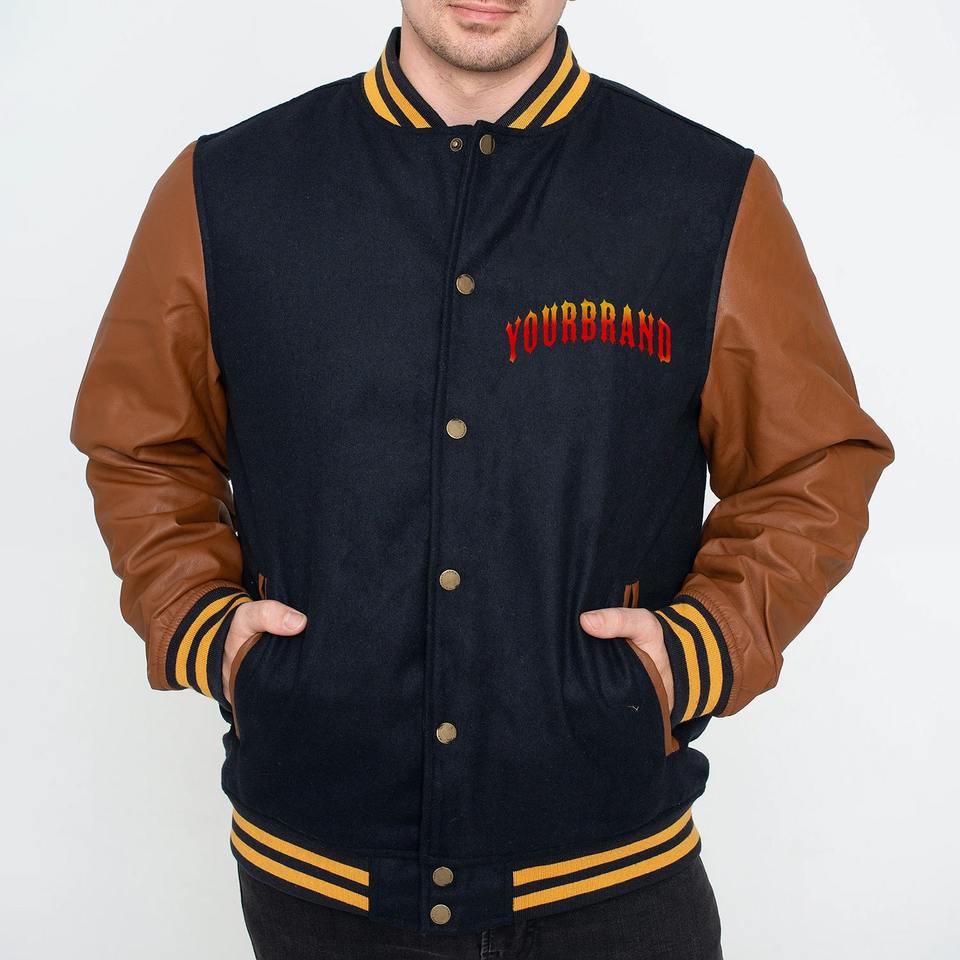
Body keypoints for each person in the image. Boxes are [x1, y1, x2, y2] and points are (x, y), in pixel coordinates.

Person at [69, 1, 895, 957]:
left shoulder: (707, 193)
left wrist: (702, 647)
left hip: (612, 867)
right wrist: (203, 628)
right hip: (318, 872)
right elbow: (140, 445)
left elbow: (813, 463)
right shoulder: (225, 187)